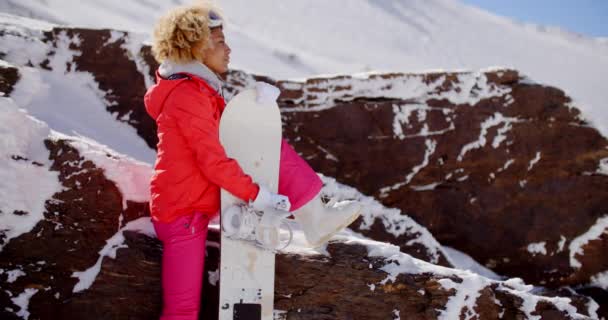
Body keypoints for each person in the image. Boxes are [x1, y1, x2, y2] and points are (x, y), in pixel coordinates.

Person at [144, 3, 360, 319]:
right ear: (196, 47)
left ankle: (315, 216)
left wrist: (257, 112)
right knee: (182, 309)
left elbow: (234, 136)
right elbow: (212, 161)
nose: (228, 50)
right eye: (219, 42)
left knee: (267, 140)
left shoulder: (199, 91)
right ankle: (315, 218)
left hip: (193, 204)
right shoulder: (187, 95)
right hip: (181, 213)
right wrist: (258, 196)